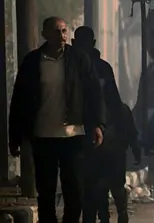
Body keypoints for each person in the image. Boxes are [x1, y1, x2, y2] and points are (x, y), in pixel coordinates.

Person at [8, 17, 105, 223]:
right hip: (43, 136)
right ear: (45, 34)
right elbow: (20, 99)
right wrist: (15, 136)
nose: (61, 36)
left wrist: (97, 124)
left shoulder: (79, 60)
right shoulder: (33, 62)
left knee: (74, 191)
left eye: (64, 31)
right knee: (46, 192)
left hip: (73, 135)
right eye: (56, 31)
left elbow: (94, 93)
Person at [72, 26, 141, 223]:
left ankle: (118, 214)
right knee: (95, 185)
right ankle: (116, 214)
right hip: (88, 133)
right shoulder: (77, 66)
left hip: (100, 135)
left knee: (105, 184)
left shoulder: (96, 67)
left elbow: (113, 103)